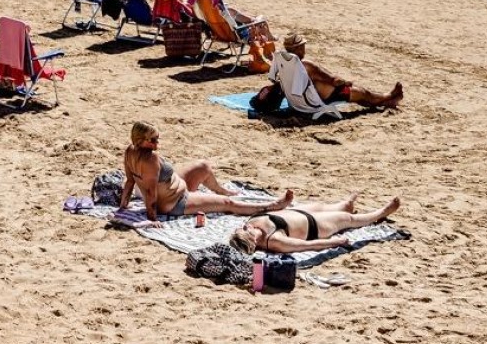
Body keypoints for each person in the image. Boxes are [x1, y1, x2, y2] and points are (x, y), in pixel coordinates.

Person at [118, 121, 291, 221]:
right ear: (140, 140)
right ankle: (270, 206)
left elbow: (130, 181)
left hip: (175, 186)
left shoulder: (129, 151)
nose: (157, 144)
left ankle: (222, 190)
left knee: (203, 166)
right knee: (227, 204)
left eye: (158, 139)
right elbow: (149, 193)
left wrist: (123, 205)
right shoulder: (151, 159)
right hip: (176, 202)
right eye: (153, 140)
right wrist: (152, 219)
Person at [257, 33, 403, 111]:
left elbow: (274, 74)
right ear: (297, 49)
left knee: (357, 95)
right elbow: (334, 80)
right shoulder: (306, 65)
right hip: (313, 103)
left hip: (297, 104)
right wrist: (346, 81)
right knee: (362, 93)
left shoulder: (282, 61)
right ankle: (388, 97)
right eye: (302, 46)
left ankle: (384, 102)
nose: (304, 49)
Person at [228, 196, 404, 254]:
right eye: (248, 232)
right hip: (315, 226)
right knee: (347, 219)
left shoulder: (248, 225)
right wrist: (335, 242)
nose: (247, 227)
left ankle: (344, 204)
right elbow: (306, 245)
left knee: (324, 206)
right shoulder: (274, 241)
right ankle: (380, 213)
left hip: (298, 212)